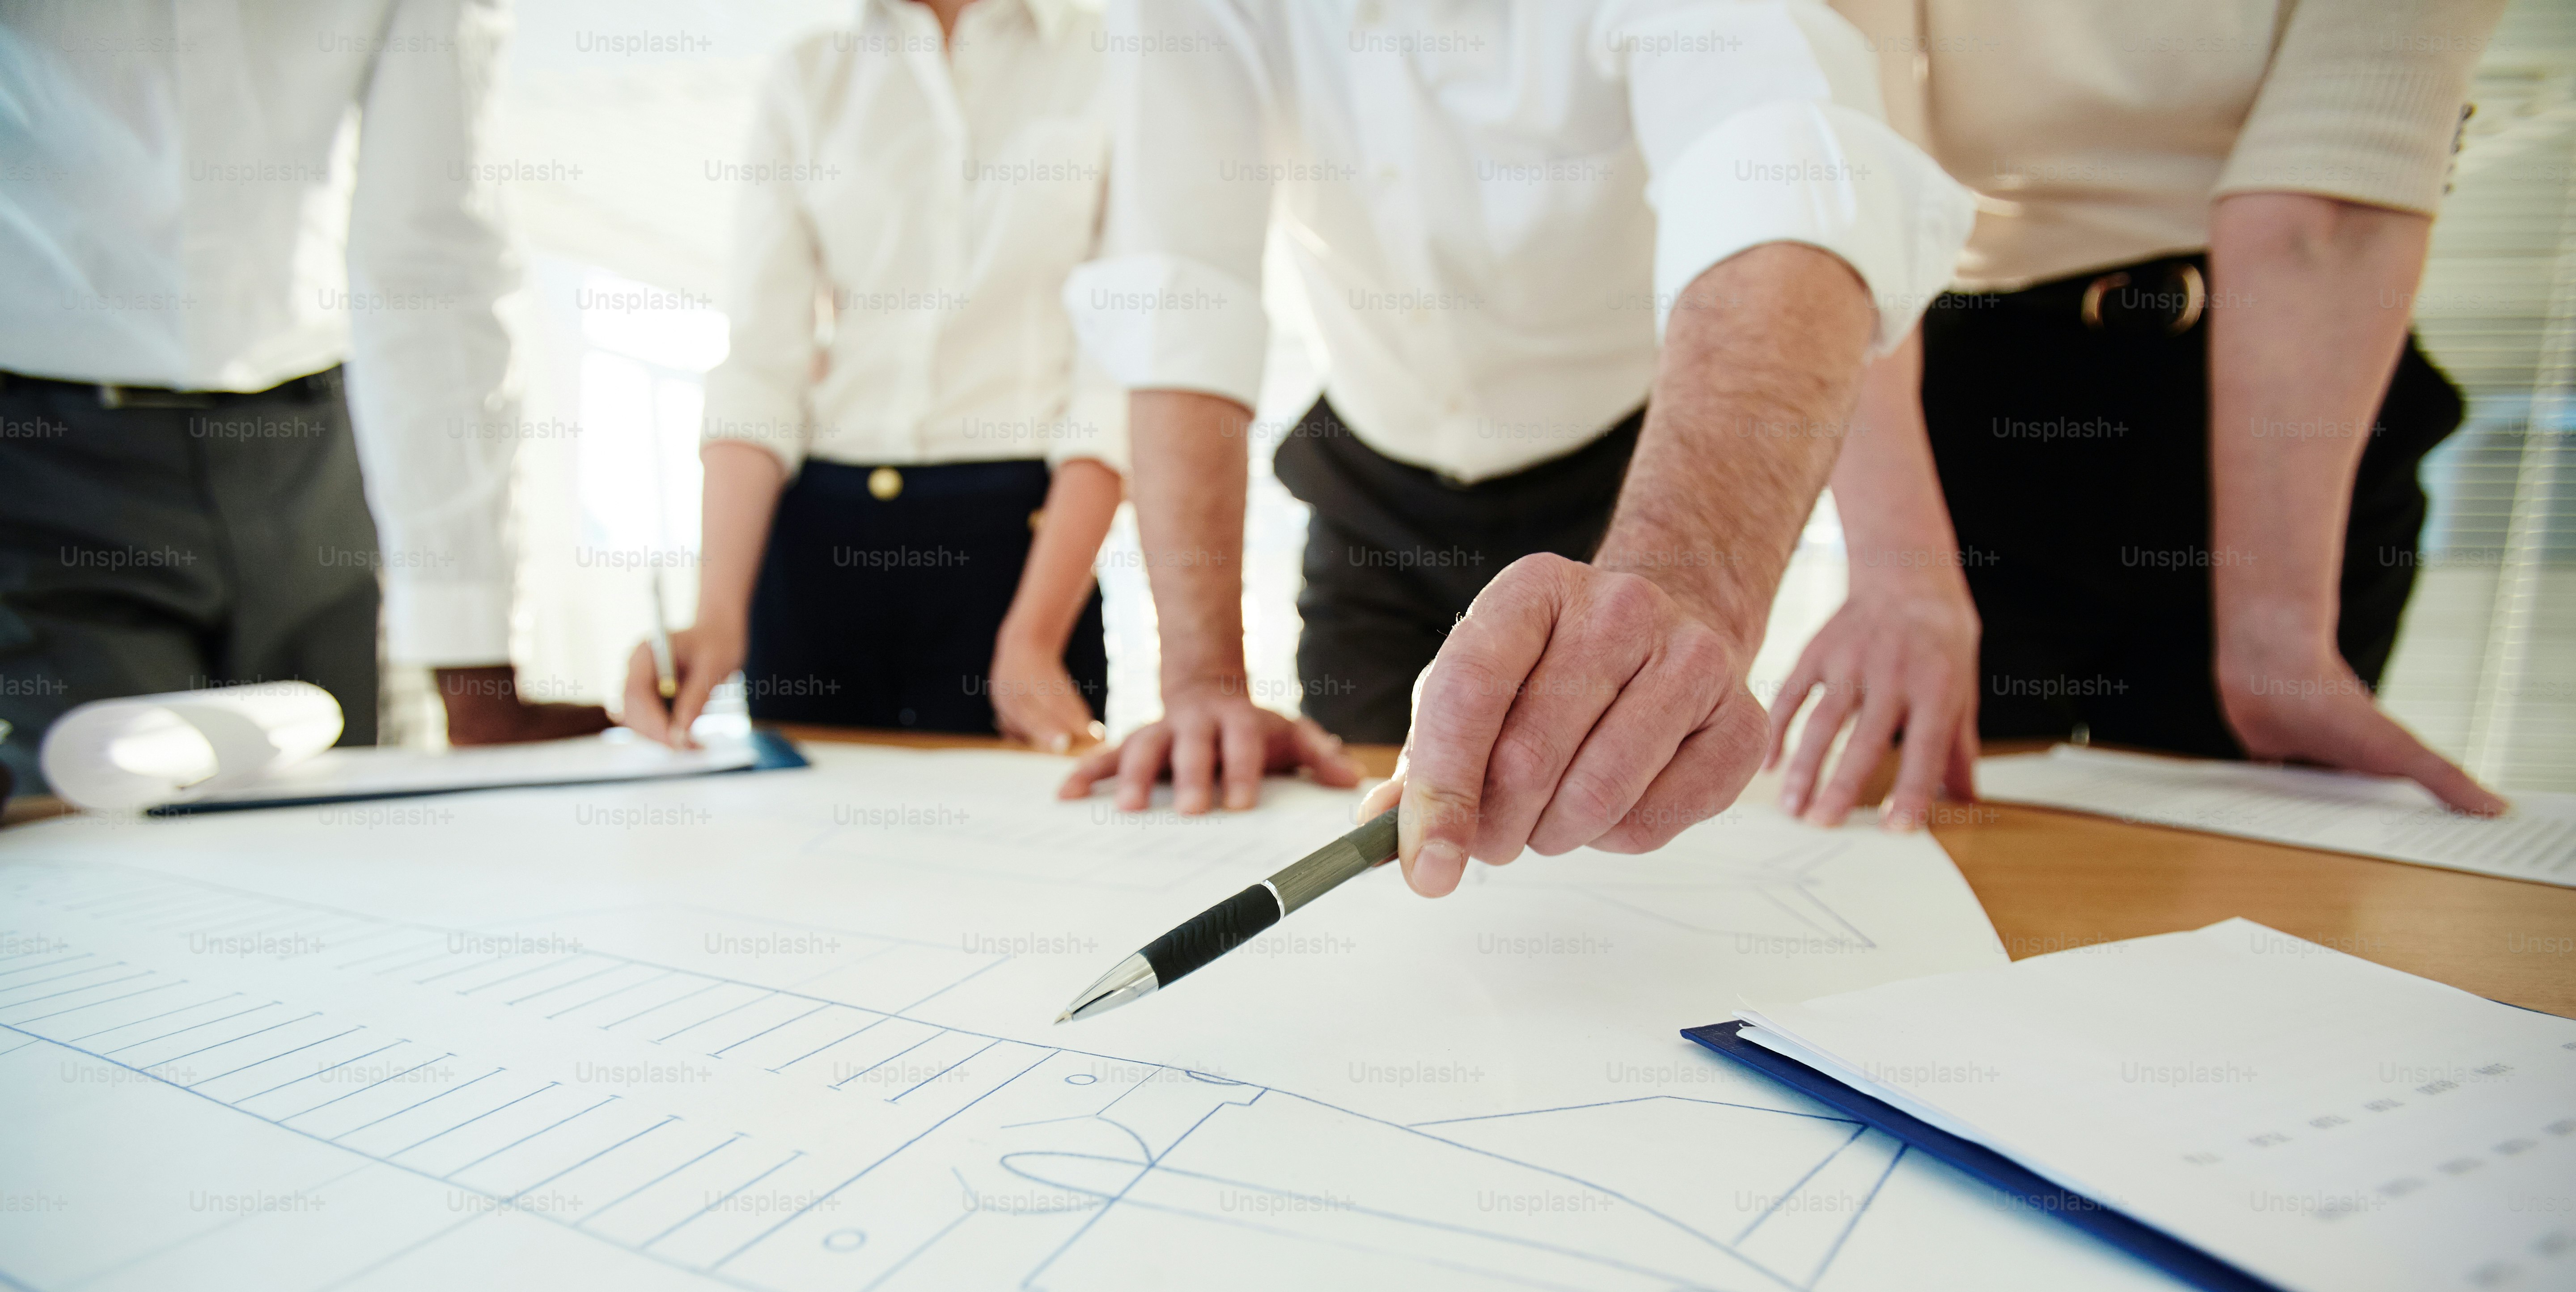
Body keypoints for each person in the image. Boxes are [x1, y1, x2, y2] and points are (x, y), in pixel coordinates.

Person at [1056, 0, 1976, 897]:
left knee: (1606, 858)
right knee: (1376, 865)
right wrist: (1203, 681)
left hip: (1634, 488)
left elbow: (1780, 168)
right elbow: (1181, 291)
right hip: (1369, 504)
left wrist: (1689, 580)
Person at [1767, 0, 2509, 828]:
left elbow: (2330, 208)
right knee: (1938, 825)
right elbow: (1842, 185)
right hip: (1986, 406)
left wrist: (2280, 637)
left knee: (2244, 843)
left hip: (2303, 404)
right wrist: (1900, 574)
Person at [0, 0, 610, 801]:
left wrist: (475, 664)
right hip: (45, 467)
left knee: (338, 824)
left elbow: (431, 261)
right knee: (94, 814)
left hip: (320, 460)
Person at [622, 0, 1124, 750]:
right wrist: (717, 615)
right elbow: (762, 364)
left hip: (1021, 552)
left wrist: (1035, 634)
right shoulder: (808, 73)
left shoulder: (1116, 57)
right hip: (815, 537)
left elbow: (1116, 379)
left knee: (1013, 818)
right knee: (799, 819)